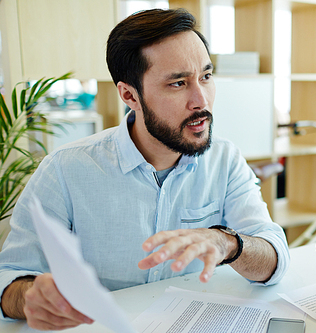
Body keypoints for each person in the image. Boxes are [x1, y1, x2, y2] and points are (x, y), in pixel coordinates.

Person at [0, 8, 290, 330]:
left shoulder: (224, 159)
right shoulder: (65, 169)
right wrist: (28, 297)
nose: (201, 101)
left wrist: (228, 243)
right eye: (178, 83)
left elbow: (274, 259)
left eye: (206, 77)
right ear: (129, 95)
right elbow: (9, 275)